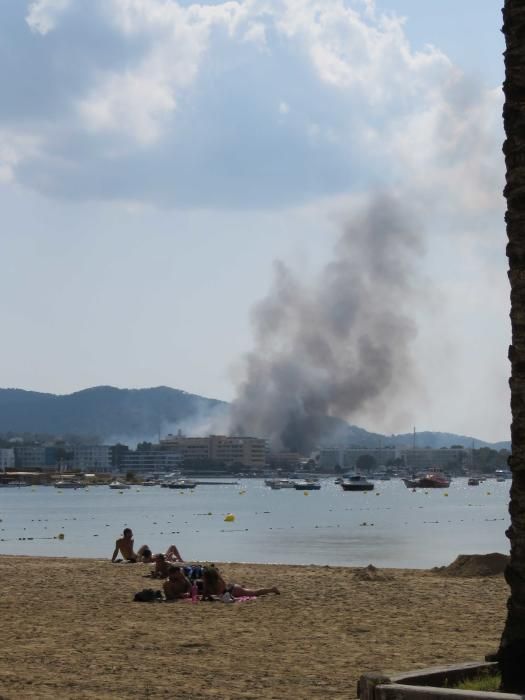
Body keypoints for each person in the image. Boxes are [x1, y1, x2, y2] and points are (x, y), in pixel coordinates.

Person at [201, 566, 280, 599]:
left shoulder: (216, 582)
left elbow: (222, 590)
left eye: (204, 576)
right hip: (232, 588)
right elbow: (205, 594)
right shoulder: (212, 582)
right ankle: (242, 587)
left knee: (255, 592)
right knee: (251, 591)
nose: (202, 578)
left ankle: (272, 589)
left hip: (233, 590)